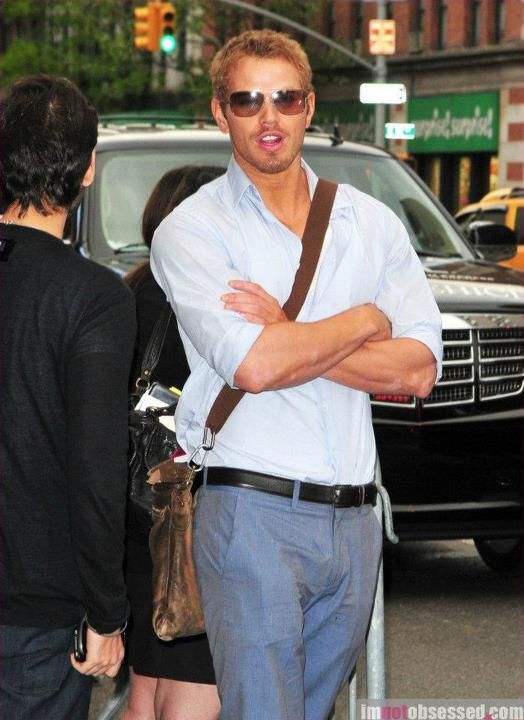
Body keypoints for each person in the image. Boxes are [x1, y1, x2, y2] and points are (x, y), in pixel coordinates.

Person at [150, 29, 443, 720]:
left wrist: (288, 330)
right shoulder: (193, 229)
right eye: (247, 100)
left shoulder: (370, 222)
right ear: (220, 113)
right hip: (251, 511)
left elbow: (419, 369)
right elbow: (255, 365)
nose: (269, 116)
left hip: (356, 520)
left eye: (285, 98)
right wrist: (366, 318)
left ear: (309, 106)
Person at [0, 75, 135, 719]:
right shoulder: (94, 298)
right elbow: (95, 468)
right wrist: (107, 612)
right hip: (35, 617)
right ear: (87, 170)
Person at [123, 166, 224, 720]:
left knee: (147, 691)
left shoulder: (130, 290)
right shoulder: (200, 297)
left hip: (136, 517)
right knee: (193, 692)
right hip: (188, 523)